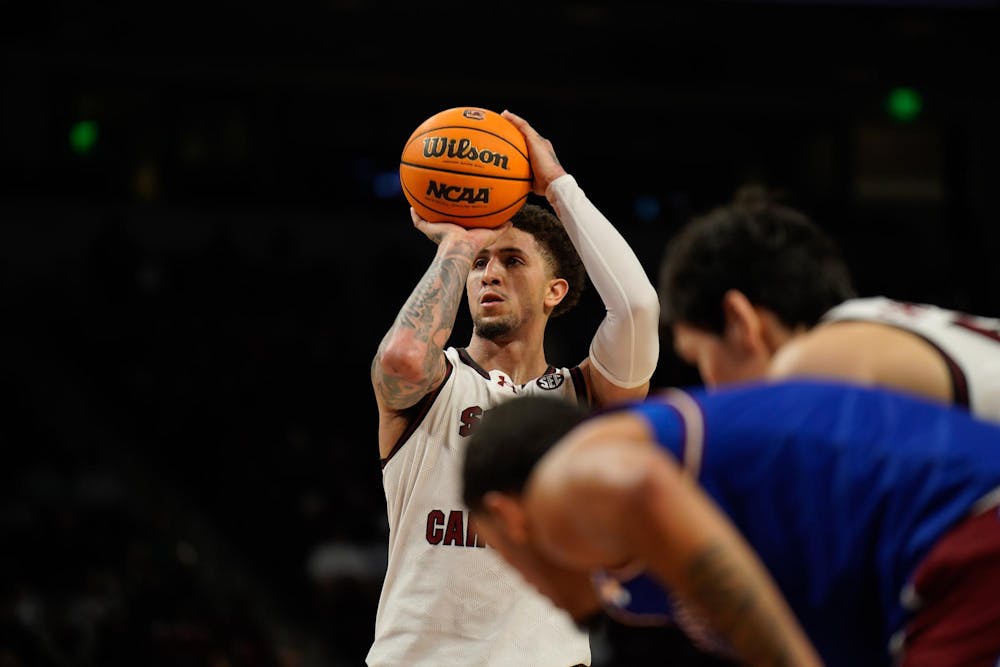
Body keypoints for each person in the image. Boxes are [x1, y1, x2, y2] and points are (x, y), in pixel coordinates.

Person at [366, 109, 659, 666]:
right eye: (480, 264)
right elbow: (402, 359)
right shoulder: (437, 384)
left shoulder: (584, 399)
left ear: (556, 290)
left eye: (510, 260)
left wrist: (557, 187)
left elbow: (639, 307)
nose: (488, 273)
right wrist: (456, 242)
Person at [462, 384, 1000, 667]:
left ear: (509, 517)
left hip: (957, 521)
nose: (519, 581)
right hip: (936, 558)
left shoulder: (568, 478)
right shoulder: (628, 590)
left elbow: (640, 486)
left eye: (498, 551)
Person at [658, 185, 1000, 422]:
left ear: (739, 321)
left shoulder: (811, 364)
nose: (710, 390)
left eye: (698, 360)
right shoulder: (885, 327)